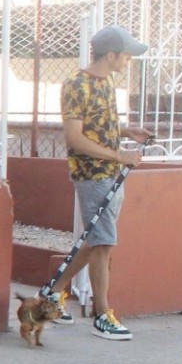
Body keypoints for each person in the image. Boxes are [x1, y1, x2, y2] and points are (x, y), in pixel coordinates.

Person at [48, 25, 154, 341]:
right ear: (111, 55)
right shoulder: (75, 86)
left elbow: (100, 126)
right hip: (92, 175)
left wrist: (126, 131)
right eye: (126, 56)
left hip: (109, 173)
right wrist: (119, 155)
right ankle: (101, 314)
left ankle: (53, 292)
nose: (128, 62)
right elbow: (75, 138)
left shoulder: (105, 83)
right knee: (104, 243)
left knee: (96, 240)